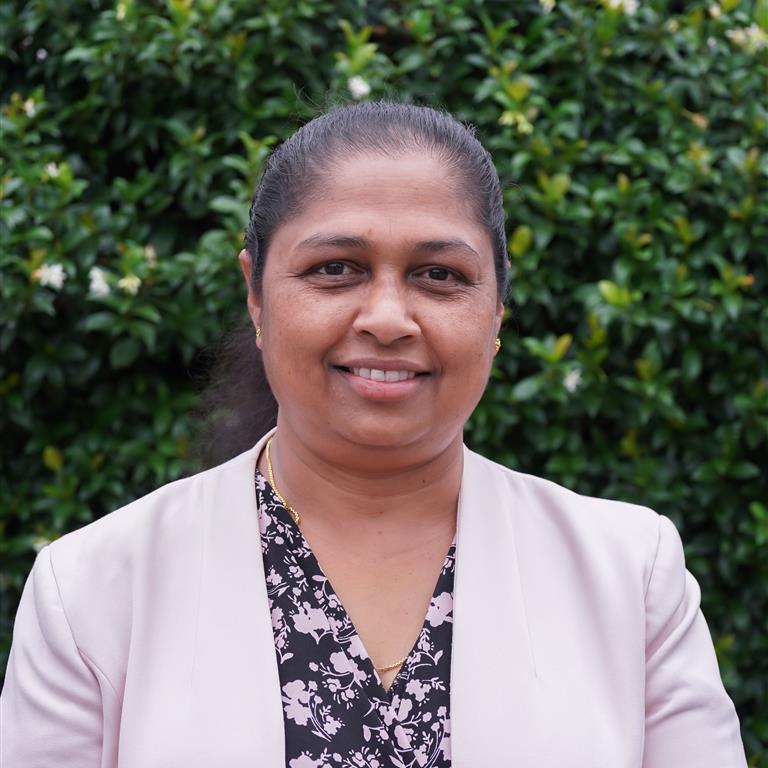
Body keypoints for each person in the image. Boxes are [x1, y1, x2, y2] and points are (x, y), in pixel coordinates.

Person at [0, 101, 747, 767]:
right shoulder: (93, 592)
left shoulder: (629, 576)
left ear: (497, 310)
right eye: (336, 268)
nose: (388, 319)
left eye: (439, 275)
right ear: (255, 294)